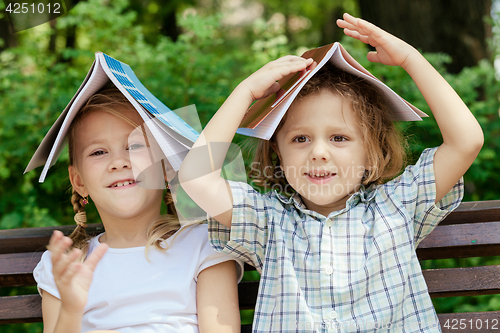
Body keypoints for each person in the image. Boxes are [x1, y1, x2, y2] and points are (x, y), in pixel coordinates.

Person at [178, 13, 483, 332]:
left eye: (339, 138)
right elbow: (196, 178)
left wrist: (410, 58)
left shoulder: (398, 206)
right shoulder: (267, 223)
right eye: (300, 139)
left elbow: (466, 142)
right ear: (278, 154)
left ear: (371, 152)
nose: (318, 152)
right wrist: (245, 93)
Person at [33, 85, 243, 333]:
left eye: (134, 146)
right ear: (79, 181)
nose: (118, 162)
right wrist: (71, 310)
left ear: (166, 167)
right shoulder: (66, 265)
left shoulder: (206, 246)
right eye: (98, 152)